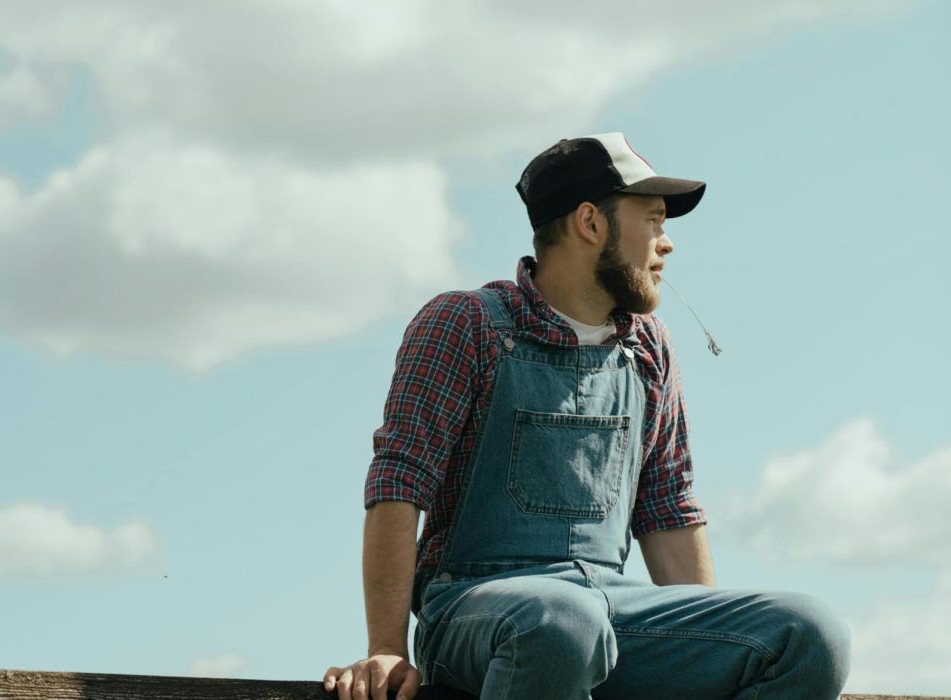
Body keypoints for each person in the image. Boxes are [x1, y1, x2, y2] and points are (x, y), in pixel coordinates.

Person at [324, 133, 851, 700]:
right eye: (652, 219)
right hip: (475, 613)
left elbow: (667, 503)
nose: (666, 243)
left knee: (811, 634)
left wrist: (710, 643)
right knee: (563, 620)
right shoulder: (466, 324)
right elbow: (400, 482)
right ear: (590, 223)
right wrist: (387, 648)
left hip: (613, 610)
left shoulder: (649, 347)